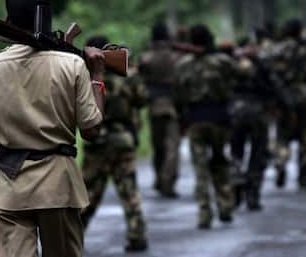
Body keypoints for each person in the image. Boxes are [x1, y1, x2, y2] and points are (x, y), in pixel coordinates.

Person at [0, 0, 106, 257]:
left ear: (7, 20)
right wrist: (97, 75)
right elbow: (92, 130)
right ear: (47, 18)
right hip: (59, 188)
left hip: (10, 186)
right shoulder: (72, 65)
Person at [80, 36, 148, 252]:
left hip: (97, 141)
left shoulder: (85, 76)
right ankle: (137, 235)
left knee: (87, 195)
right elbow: (142, 99)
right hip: (122, 139)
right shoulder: (127, 76)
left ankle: (72, 239)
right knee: (129, 191)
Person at [174, 24, 236, 229]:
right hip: (220, 118)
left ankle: (204, 213)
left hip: (195, 119)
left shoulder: (183, 65)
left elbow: (179, 95)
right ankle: (225, 205)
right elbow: (244, 73)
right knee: (220, 162)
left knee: (200, 169)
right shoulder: (222, 61)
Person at [265, 18, 306, 190]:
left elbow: (267, 66)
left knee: (283, 134)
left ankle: (281, 161)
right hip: (304, 94)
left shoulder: (276, 49)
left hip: (283, 95)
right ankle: (304, 171)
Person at [138, 22, 181, 198]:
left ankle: (158, 178)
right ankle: (167, 181)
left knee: (158, 146)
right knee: (172, 146)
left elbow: (140, 81)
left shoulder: (146, 58)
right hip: (173, 105)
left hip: (154, 105)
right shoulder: (176, 57)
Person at [229, 37, 272, 211]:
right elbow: (272, 87)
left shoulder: (230, 65)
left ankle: (235, 190)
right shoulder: (262, 66)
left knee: (235, 153)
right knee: (257, 154)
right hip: (257, 111)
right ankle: (253, 194)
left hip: (235, 111)